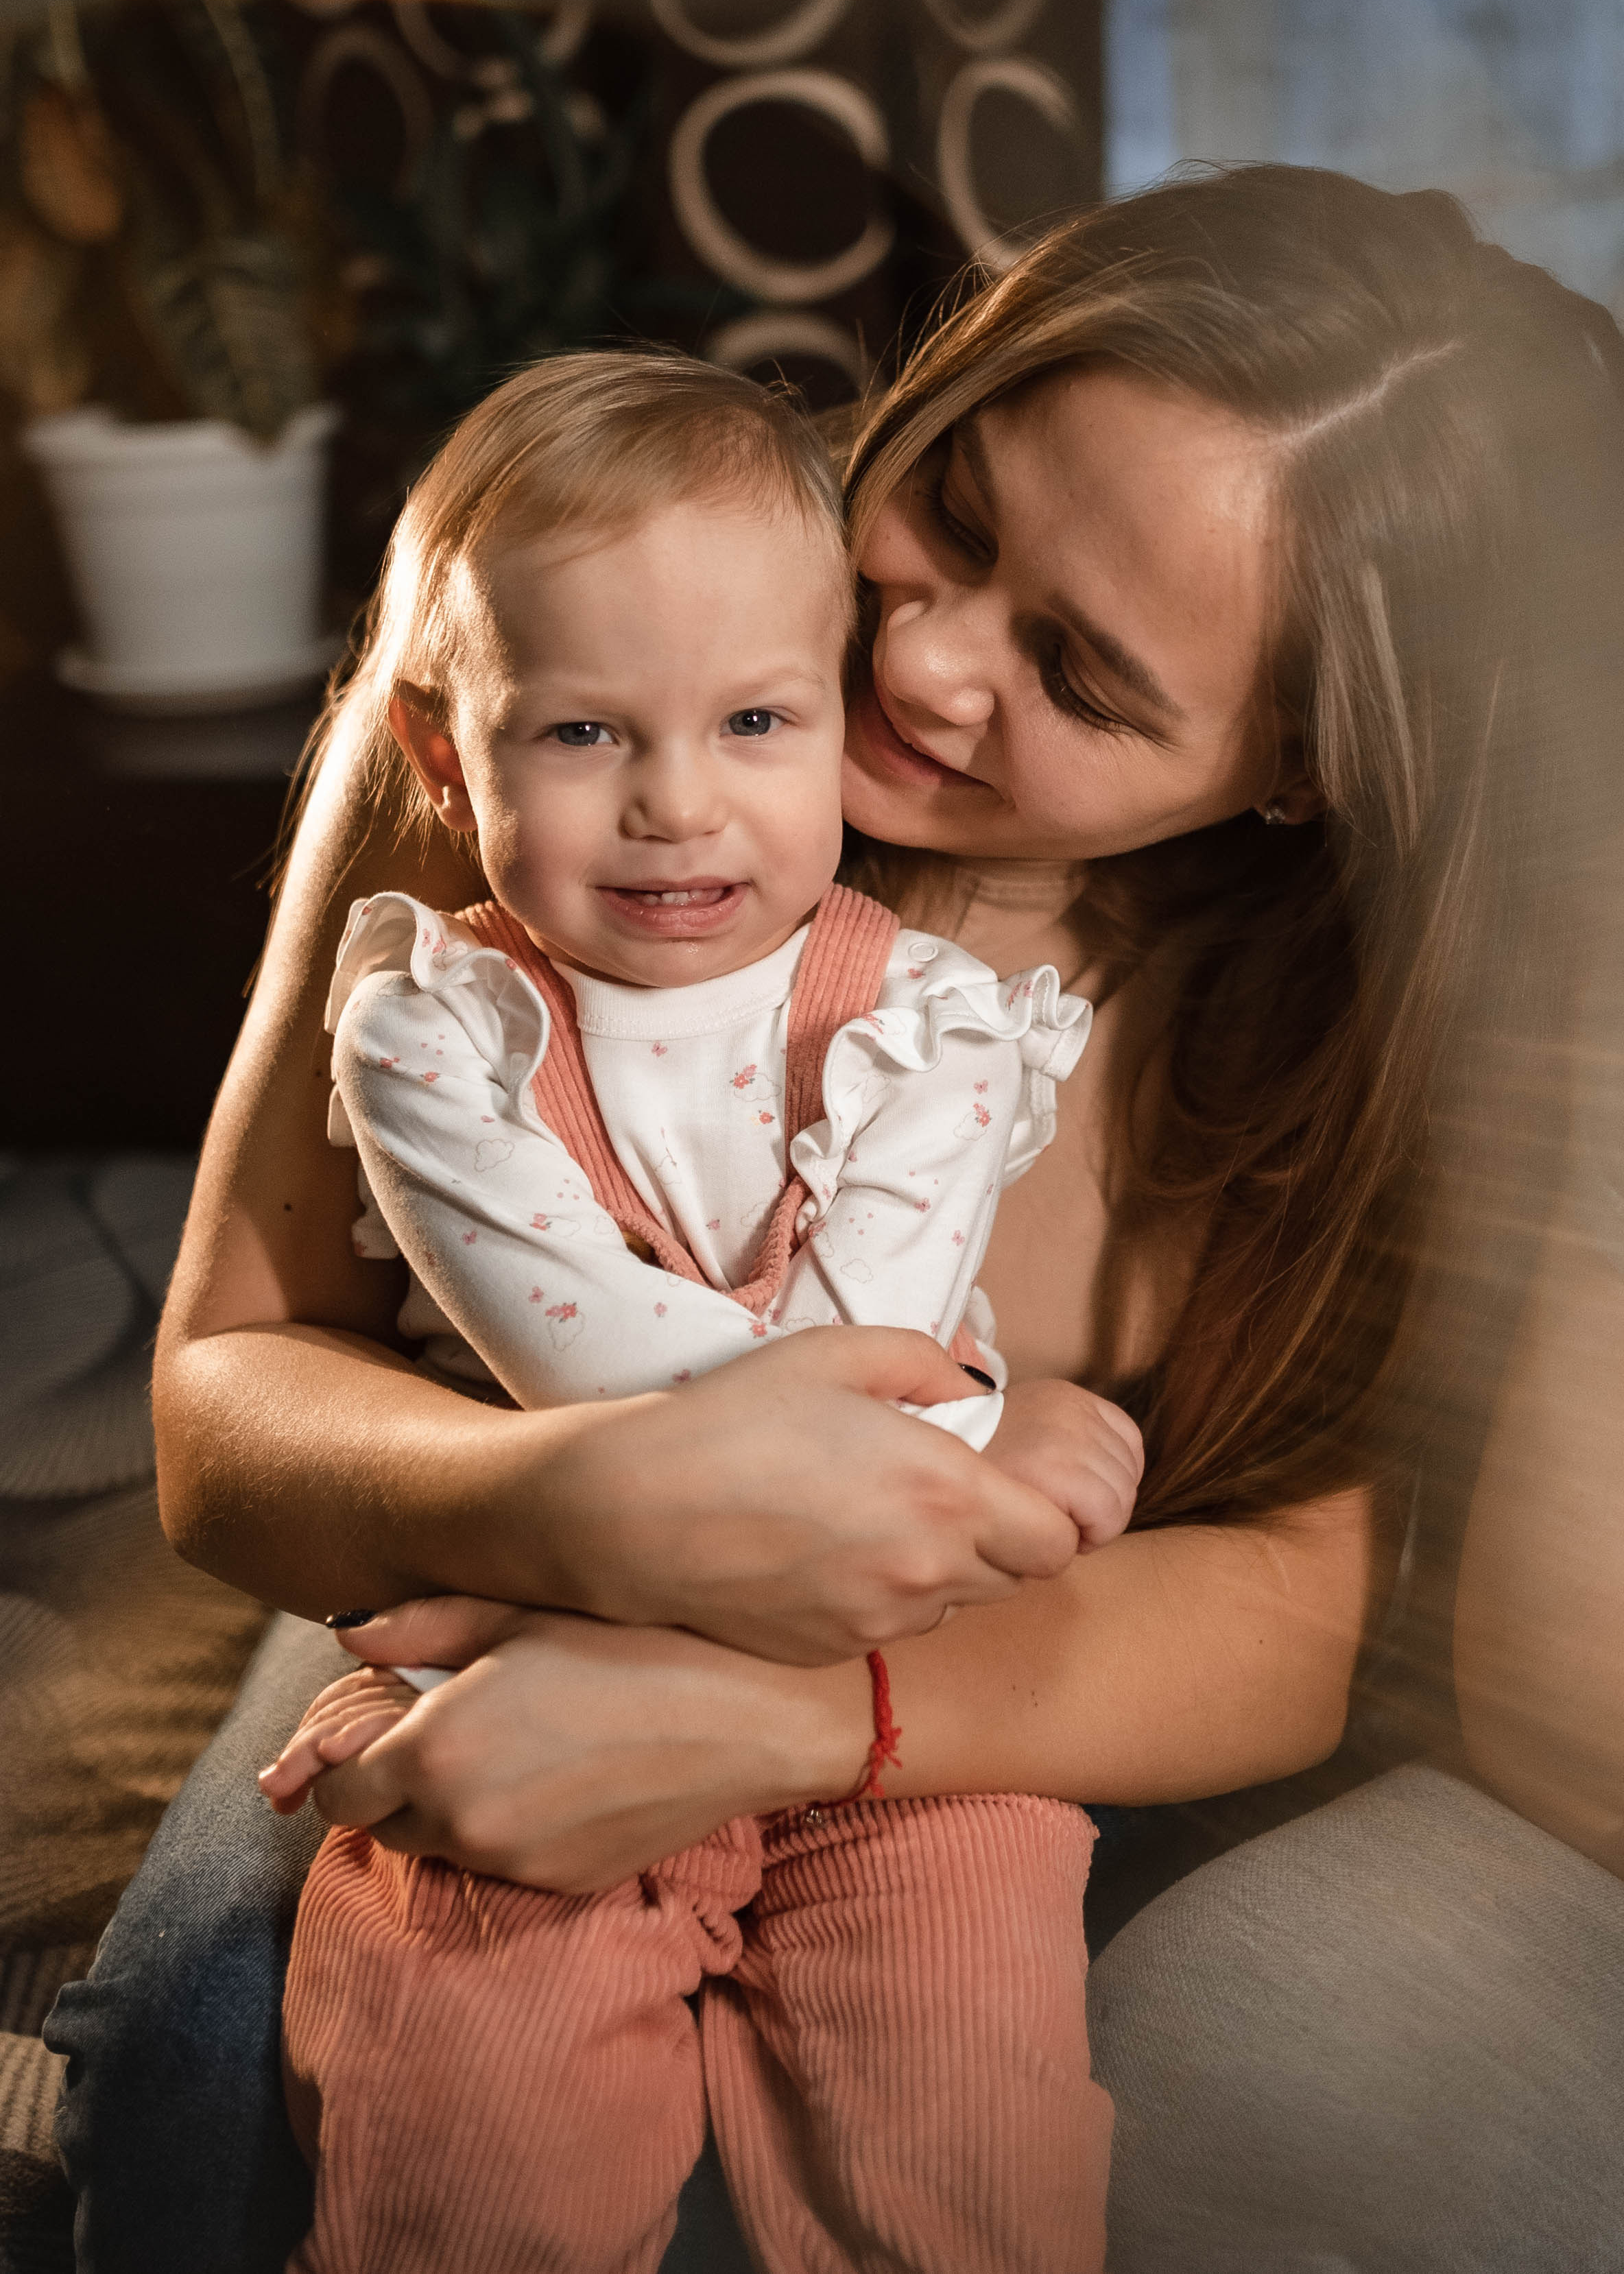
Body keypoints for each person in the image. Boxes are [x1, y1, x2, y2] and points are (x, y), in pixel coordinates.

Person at [45, 165, 1624, 2272]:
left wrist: (794, 1719)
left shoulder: (1353, 1021)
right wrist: (589, 1504)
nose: (921, 646)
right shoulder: (586, 639)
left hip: (1010, 1680)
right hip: (495, 1538)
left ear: (1294, 774)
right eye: (958, 510)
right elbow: (226, 1405)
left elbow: (1306, 1610)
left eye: (1080, 671)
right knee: (202, 2068)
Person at [259, 348, 1130, 2274]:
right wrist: (996, 1427)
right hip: (538, 1667)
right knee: (463, 2119)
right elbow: (591, 1359)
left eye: (751, 720)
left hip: (896, 1689)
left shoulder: (931, 1019)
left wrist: (917, 1434)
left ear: (833, 720)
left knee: (972, 2120)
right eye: (579, 734)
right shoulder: (433, 1024)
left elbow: (866, 1409)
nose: (674, 805)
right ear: (440, 754)